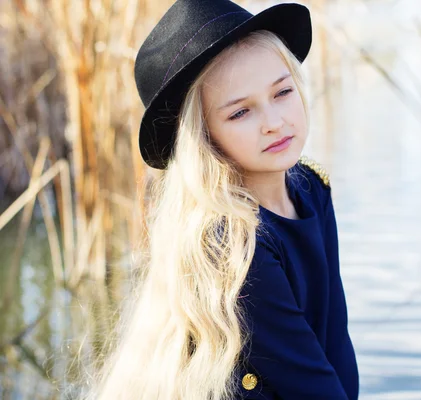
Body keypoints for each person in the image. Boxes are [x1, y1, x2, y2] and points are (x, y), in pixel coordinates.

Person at [89, 0, 359, 399]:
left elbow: (334, 333)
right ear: (205, 136)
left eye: (282, 92)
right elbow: (307, 383)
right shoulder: (231, 242)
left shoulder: (311, 186)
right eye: (240, 113)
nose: (274, 122)